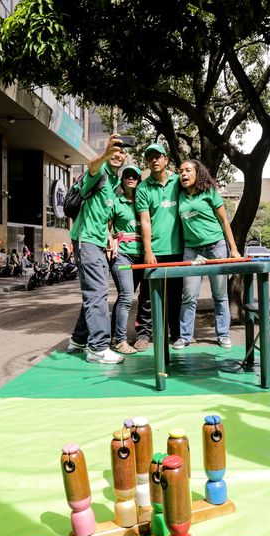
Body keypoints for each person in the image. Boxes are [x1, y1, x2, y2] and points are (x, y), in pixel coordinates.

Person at [67, 134, 127, 364]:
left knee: (94, 293)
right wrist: (105, 152)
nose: (118, 154)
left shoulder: (113, 183)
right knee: (98, 293)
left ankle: (78, 340)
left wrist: (110, 237)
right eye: (115, 151)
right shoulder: (99, 172)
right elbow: (92, 167)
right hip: (86, 241)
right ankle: (98, 348)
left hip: (99, 243)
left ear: (125, 158)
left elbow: (102, 217)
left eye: (121, 152)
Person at [172, 159, 240, 350]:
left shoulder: (210, 192)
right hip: (192, 250)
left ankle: (223, 335)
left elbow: (224, 222)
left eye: (187, 170)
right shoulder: (181, 195)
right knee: (189, 296)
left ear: (198, 173)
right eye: (180, 172)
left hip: (215, 247)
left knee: (219, 294)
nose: (183, 174)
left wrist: (233, 249)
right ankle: (185, 336)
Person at [134, 143, 183, 350]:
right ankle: (143, 334)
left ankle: (177, 334)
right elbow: (145, 221)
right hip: (155, 252)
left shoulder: (178, 181)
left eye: (158, 156)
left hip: (179, 250)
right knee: (147, 295)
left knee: (175, 295)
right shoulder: (143, 188)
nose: (154, 160)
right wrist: (148, 251)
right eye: (150, 157)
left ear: (166, 160)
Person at [109, 165, 151, 354]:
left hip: (144, 256)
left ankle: (138, 335)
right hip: (123, 256)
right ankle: (119, 339)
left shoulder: (144, 200)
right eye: (127, 175)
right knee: (126, 296)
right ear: (122, 180)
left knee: (144, 298)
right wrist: (112, 238)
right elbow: (105, 228)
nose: (131, 178)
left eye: (134, 176)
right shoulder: (116, 203)